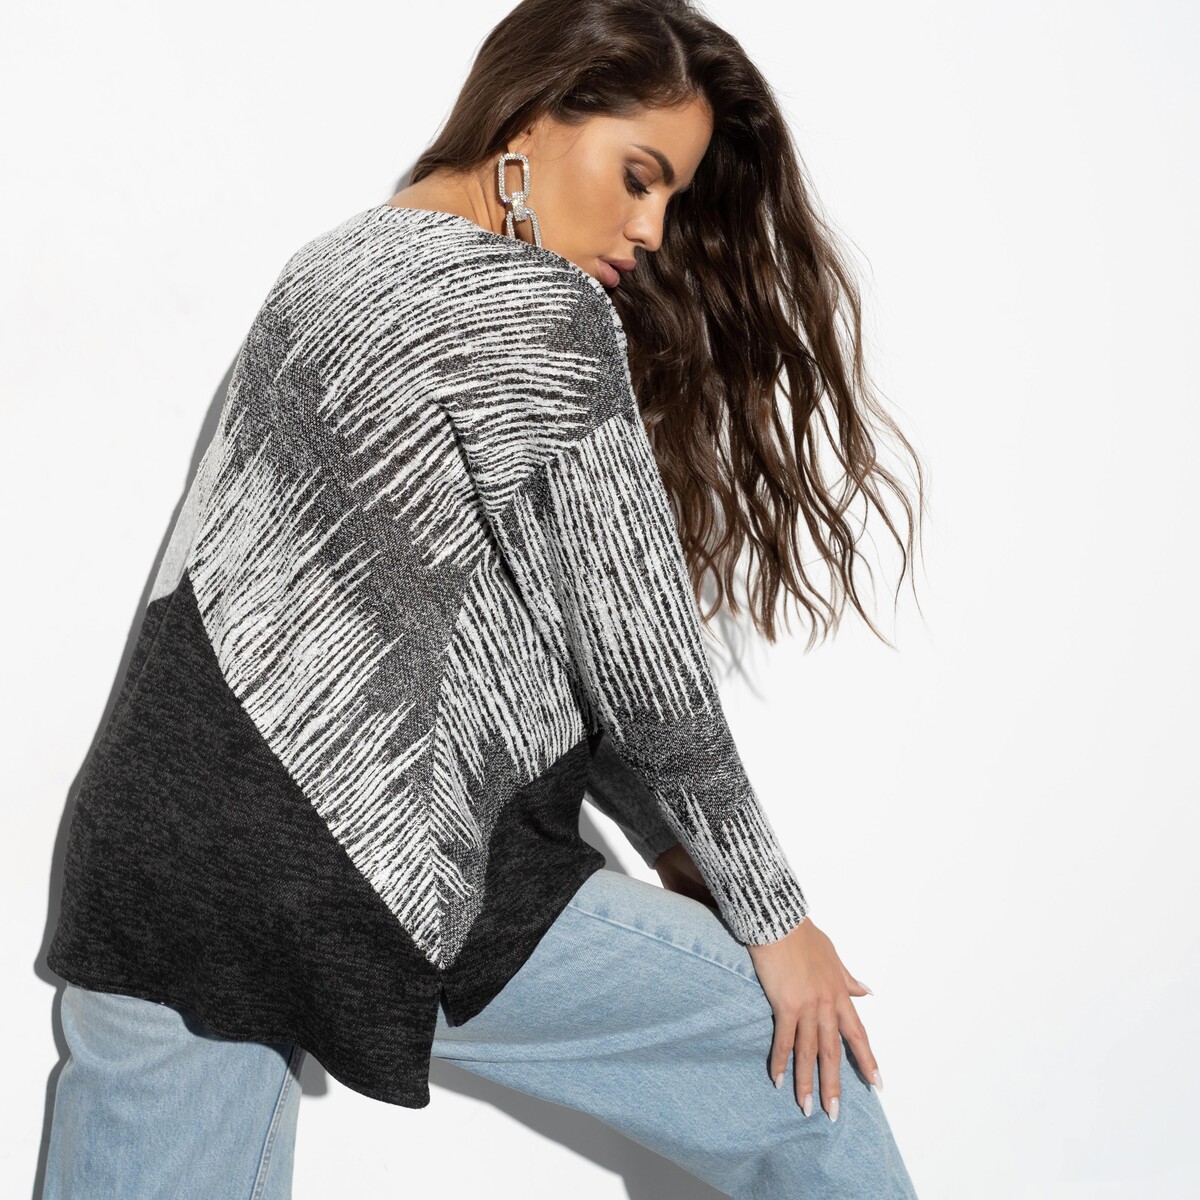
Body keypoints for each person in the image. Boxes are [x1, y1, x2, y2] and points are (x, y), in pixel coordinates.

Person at [39, 1, 926, 1196]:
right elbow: (640, 665)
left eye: (671, 198)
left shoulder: (334, 263)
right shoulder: (535, 310)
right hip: (368, 865)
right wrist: (773, 916)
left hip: (151, 851)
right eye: (638, 176)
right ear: (535, 115)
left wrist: (673, 843)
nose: (652, 228)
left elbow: (507, 628)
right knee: (801, 1066)